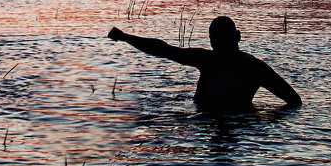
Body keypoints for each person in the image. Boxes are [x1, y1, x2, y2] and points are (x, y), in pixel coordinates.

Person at [108, 15, 301, 113]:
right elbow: (164, 50)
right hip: (239, 122)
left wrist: (125, 37)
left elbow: (294, 100)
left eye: (223, 38)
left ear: (238, 37)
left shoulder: (249, 67)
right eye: (216, 39)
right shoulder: (251, 67)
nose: (220, 43)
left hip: (211, 118)